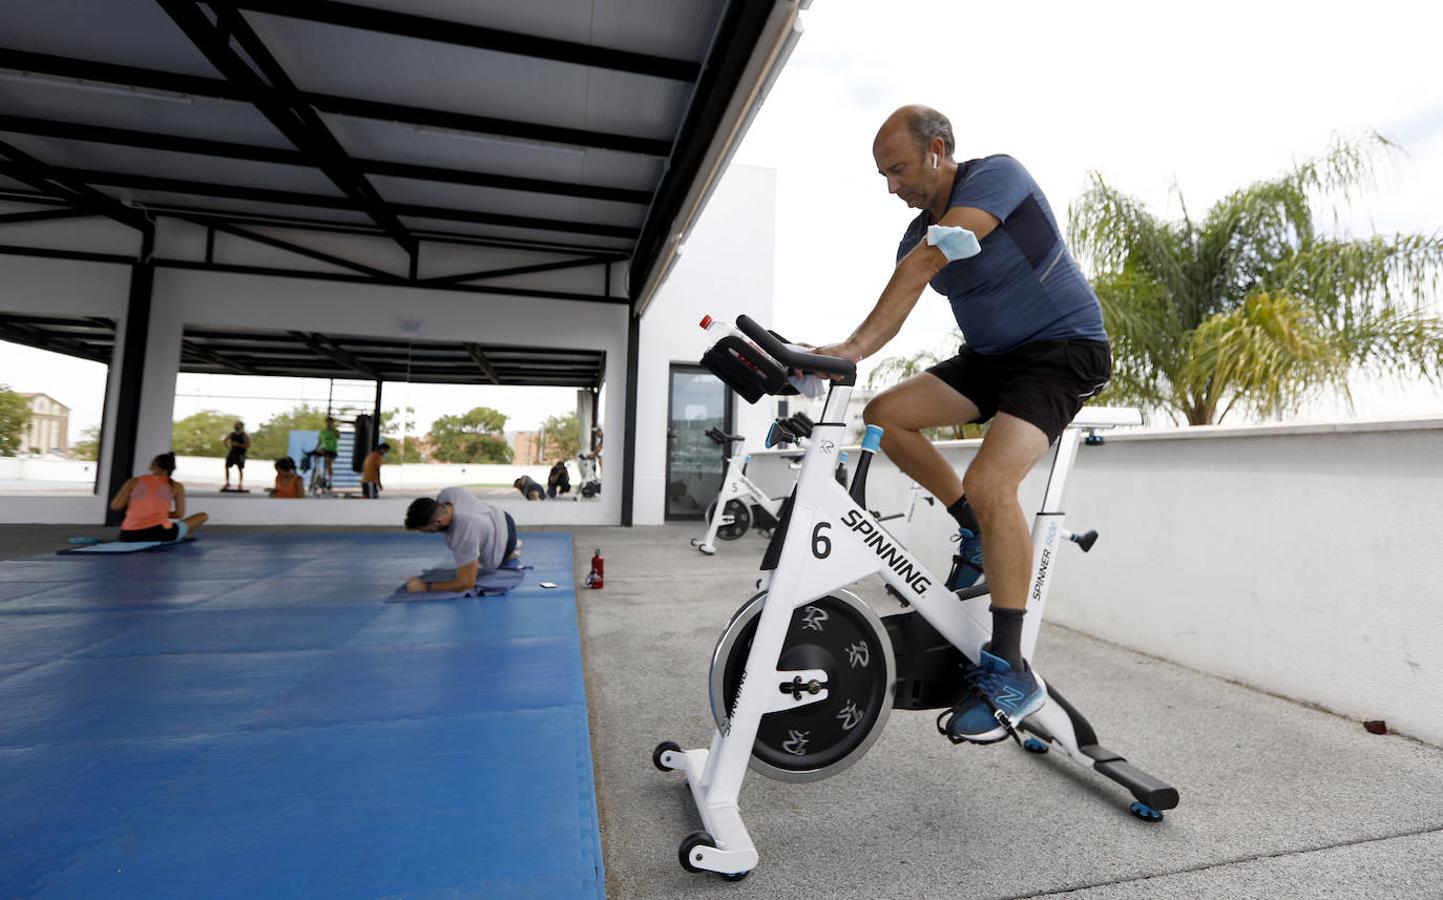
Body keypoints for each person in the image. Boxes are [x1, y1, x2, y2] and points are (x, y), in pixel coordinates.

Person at [810, 106, 1111, 745]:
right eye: (882, 175)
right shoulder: (913, 237)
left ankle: (1010, 671)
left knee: (992, 480)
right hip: (993, 360)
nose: (891, 186)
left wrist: (852, 349)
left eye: (898, 170)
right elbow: (905, 291)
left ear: (938, 151)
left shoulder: (997, 177)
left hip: (1061, 351)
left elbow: (933, 258)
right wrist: (848, 352)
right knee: (886, 417)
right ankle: (973, 534)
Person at [403, 489, 519, 593]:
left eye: (428, 530)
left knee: (470, 555)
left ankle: (510, 553)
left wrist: (426, 586)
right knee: (473, 534)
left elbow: (466, 583)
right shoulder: (448, 494)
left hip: (504, 547)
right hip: (502, 517)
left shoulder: (464, 534)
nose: (427, 533)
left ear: (439, 521)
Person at [110, 452, 209, 542]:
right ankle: (184, 535)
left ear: (152, 466)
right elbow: (179, 514)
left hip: (128, 535)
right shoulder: (176, 486)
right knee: (203, 516)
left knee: (166, 525)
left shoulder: (133, 482)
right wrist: (158, 513)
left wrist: (141, 510)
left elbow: (115, 506)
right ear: (172, 469)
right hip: (161, 534)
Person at [222, 420, 250, 490]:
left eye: (238, 425)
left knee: (240, 469)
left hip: (240, 454)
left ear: (241, 426)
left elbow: (248, 445)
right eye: (236, 425)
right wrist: (228, 446)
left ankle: (240, 484)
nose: (236, 426)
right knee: (227, 467)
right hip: (232, 453)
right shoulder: (232, 434)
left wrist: (238, 444)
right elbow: (225, 440)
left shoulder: (244, 435)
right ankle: (227, 483)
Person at [316, 416, 341, 484]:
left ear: (332, 423)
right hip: (325, 450)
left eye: (330, 422)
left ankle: (330, 480)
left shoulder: (335, 431)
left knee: (329, 465)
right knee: (318, 458)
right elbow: (320, 441)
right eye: (327, 422)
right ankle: (320, 476)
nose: (328, 424)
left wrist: (333, 430)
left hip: (333, 451)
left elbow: (338, 437)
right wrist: (316, 448)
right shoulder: (322, 432)